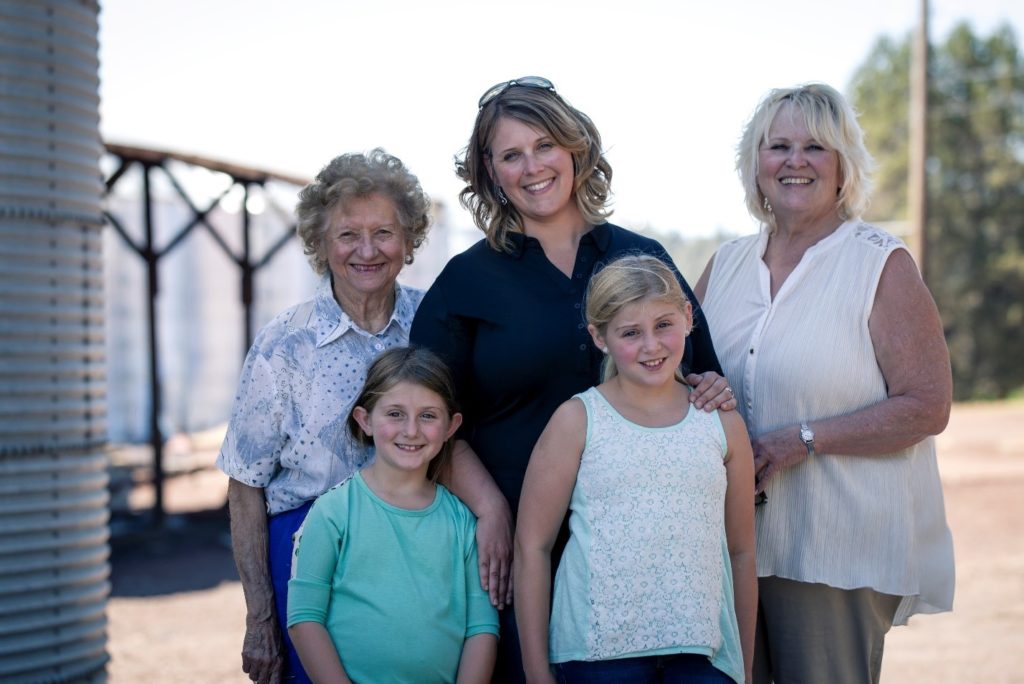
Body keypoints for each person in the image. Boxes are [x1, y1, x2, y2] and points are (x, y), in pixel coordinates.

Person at [410, 76, 736, 681]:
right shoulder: (466, 281)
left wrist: (712, 389)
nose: (532, 167)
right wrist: (490, 509)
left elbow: (698, 377)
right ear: (490, 171)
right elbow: (425, 418)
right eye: (511, 155)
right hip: (510, 551)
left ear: (576, 148)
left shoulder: (641, 259)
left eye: (545, 146)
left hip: (642, 555)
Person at [694, 83, 955, 684]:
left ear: (843, 165)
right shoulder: (726, 263)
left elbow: (927, 405)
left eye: (815, 146)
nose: (795, 161)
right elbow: (686, 375)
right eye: (777, 146)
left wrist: (798, 440)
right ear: (754, 164)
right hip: (727, 543)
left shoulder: (879, 263)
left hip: (834, 546)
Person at [217, 149, 507, 684]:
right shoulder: (285, 343)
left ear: (410, 239)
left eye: (385, 233)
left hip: (422, 546)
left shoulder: (437, 323)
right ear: (321, 243)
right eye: (348, 234)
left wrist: (490, 508)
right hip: (307, 552)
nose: (367, 250)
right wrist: (260, 617)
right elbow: (245, 484)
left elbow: (468, 431)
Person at [514, 255, 757, 684]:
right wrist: (536, 672)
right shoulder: (577, 420)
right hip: (597, 656)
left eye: (664, 324)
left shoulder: (722, 423)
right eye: (630, 332)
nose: (651, 345)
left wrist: (743, 668)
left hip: (701, 655)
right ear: (599, 336)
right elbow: (532, 547)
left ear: (686, 317)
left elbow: (740, 552)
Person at [287, 346, 499, 683]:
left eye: (428, 415)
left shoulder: (462, 522)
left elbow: (482, 627)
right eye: (395, 414)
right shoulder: (332, 512)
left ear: (450, 426)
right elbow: (304, 618)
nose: (411, 430)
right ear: (365, 420)